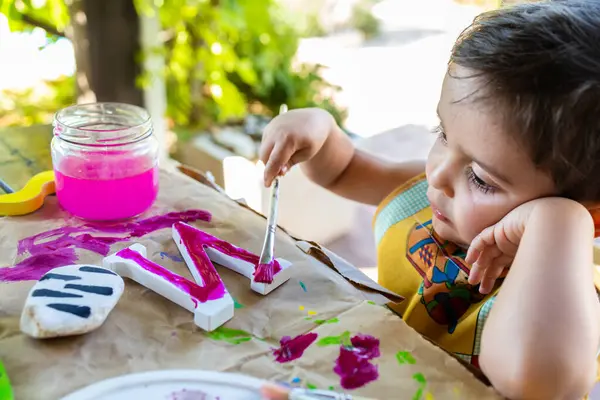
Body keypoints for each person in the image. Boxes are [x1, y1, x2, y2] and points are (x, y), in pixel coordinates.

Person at [259, 1, 600, 398]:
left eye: (481, 178)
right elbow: (345, 169)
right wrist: (319, 131)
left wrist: (560, 221)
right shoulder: (438, 190)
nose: (436, 174)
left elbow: (537, 382)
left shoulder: (562, 296)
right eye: (442, 133)